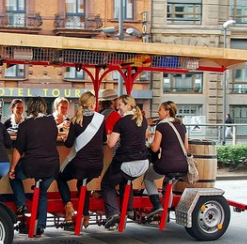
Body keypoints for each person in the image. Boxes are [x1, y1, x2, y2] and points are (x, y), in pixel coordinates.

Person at [8, 96, 59, 236]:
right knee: (42, 191)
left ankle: (21, 204)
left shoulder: (25, 125)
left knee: (14, 177)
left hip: (32, 166)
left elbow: (18, 150)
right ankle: (40, 226)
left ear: (30, 108)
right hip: (52, 167)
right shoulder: (51, 122)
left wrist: (12, 169)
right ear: (43, 107)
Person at [101, 94, 150, 230]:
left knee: (106, 184)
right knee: (125, 180)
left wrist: (107, 136)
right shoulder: (143, 120)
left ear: (128, 105)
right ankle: (128, 209)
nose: (119, 109)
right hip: (143, 162)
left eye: (120, 106)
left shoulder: (122, 122)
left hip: (127, 162)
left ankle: (114, 214)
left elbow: (110, 144)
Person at [57, 92, 106, 228]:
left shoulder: (75, 120)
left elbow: (68, 144)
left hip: (80, 164)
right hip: (97, 165)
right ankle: (85, 214)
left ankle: (68, 206)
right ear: (92, 104)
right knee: (82, 184)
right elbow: (104, 140)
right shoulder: (100, 119)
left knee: (60, 177)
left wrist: (63, 138)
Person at [143, 101, 189, 218]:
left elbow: (155, 148)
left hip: (167, 164)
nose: (158, 112)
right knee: (168, 186)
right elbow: (186, 148)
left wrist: (148, 141)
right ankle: (166, 213)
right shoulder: (182, 125)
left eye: (160, 109)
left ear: (167, 112)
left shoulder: (161, 126)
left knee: (148, 178)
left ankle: (157, 204)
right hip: (183, 165)